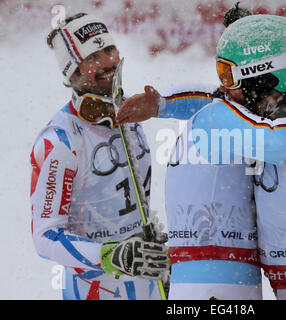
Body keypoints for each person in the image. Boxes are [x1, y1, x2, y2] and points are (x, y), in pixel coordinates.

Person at [116, 11, 286, 300]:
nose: (222, 85)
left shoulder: (279, 144)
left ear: (261, 79)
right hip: (223, 286)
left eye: (228, 74)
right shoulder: (228, 121)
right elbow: (272, 136)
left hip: (230, 285)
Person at [30, 13, 169, 300]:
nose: (108, 62)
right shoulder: (60, 140)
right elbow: (45, 237)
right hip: (95, 289)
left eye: (109, 49)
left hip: (149, 283)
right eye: (93, 56)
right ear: (73, 74)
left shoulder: (128, 114)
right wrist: (111, 255)